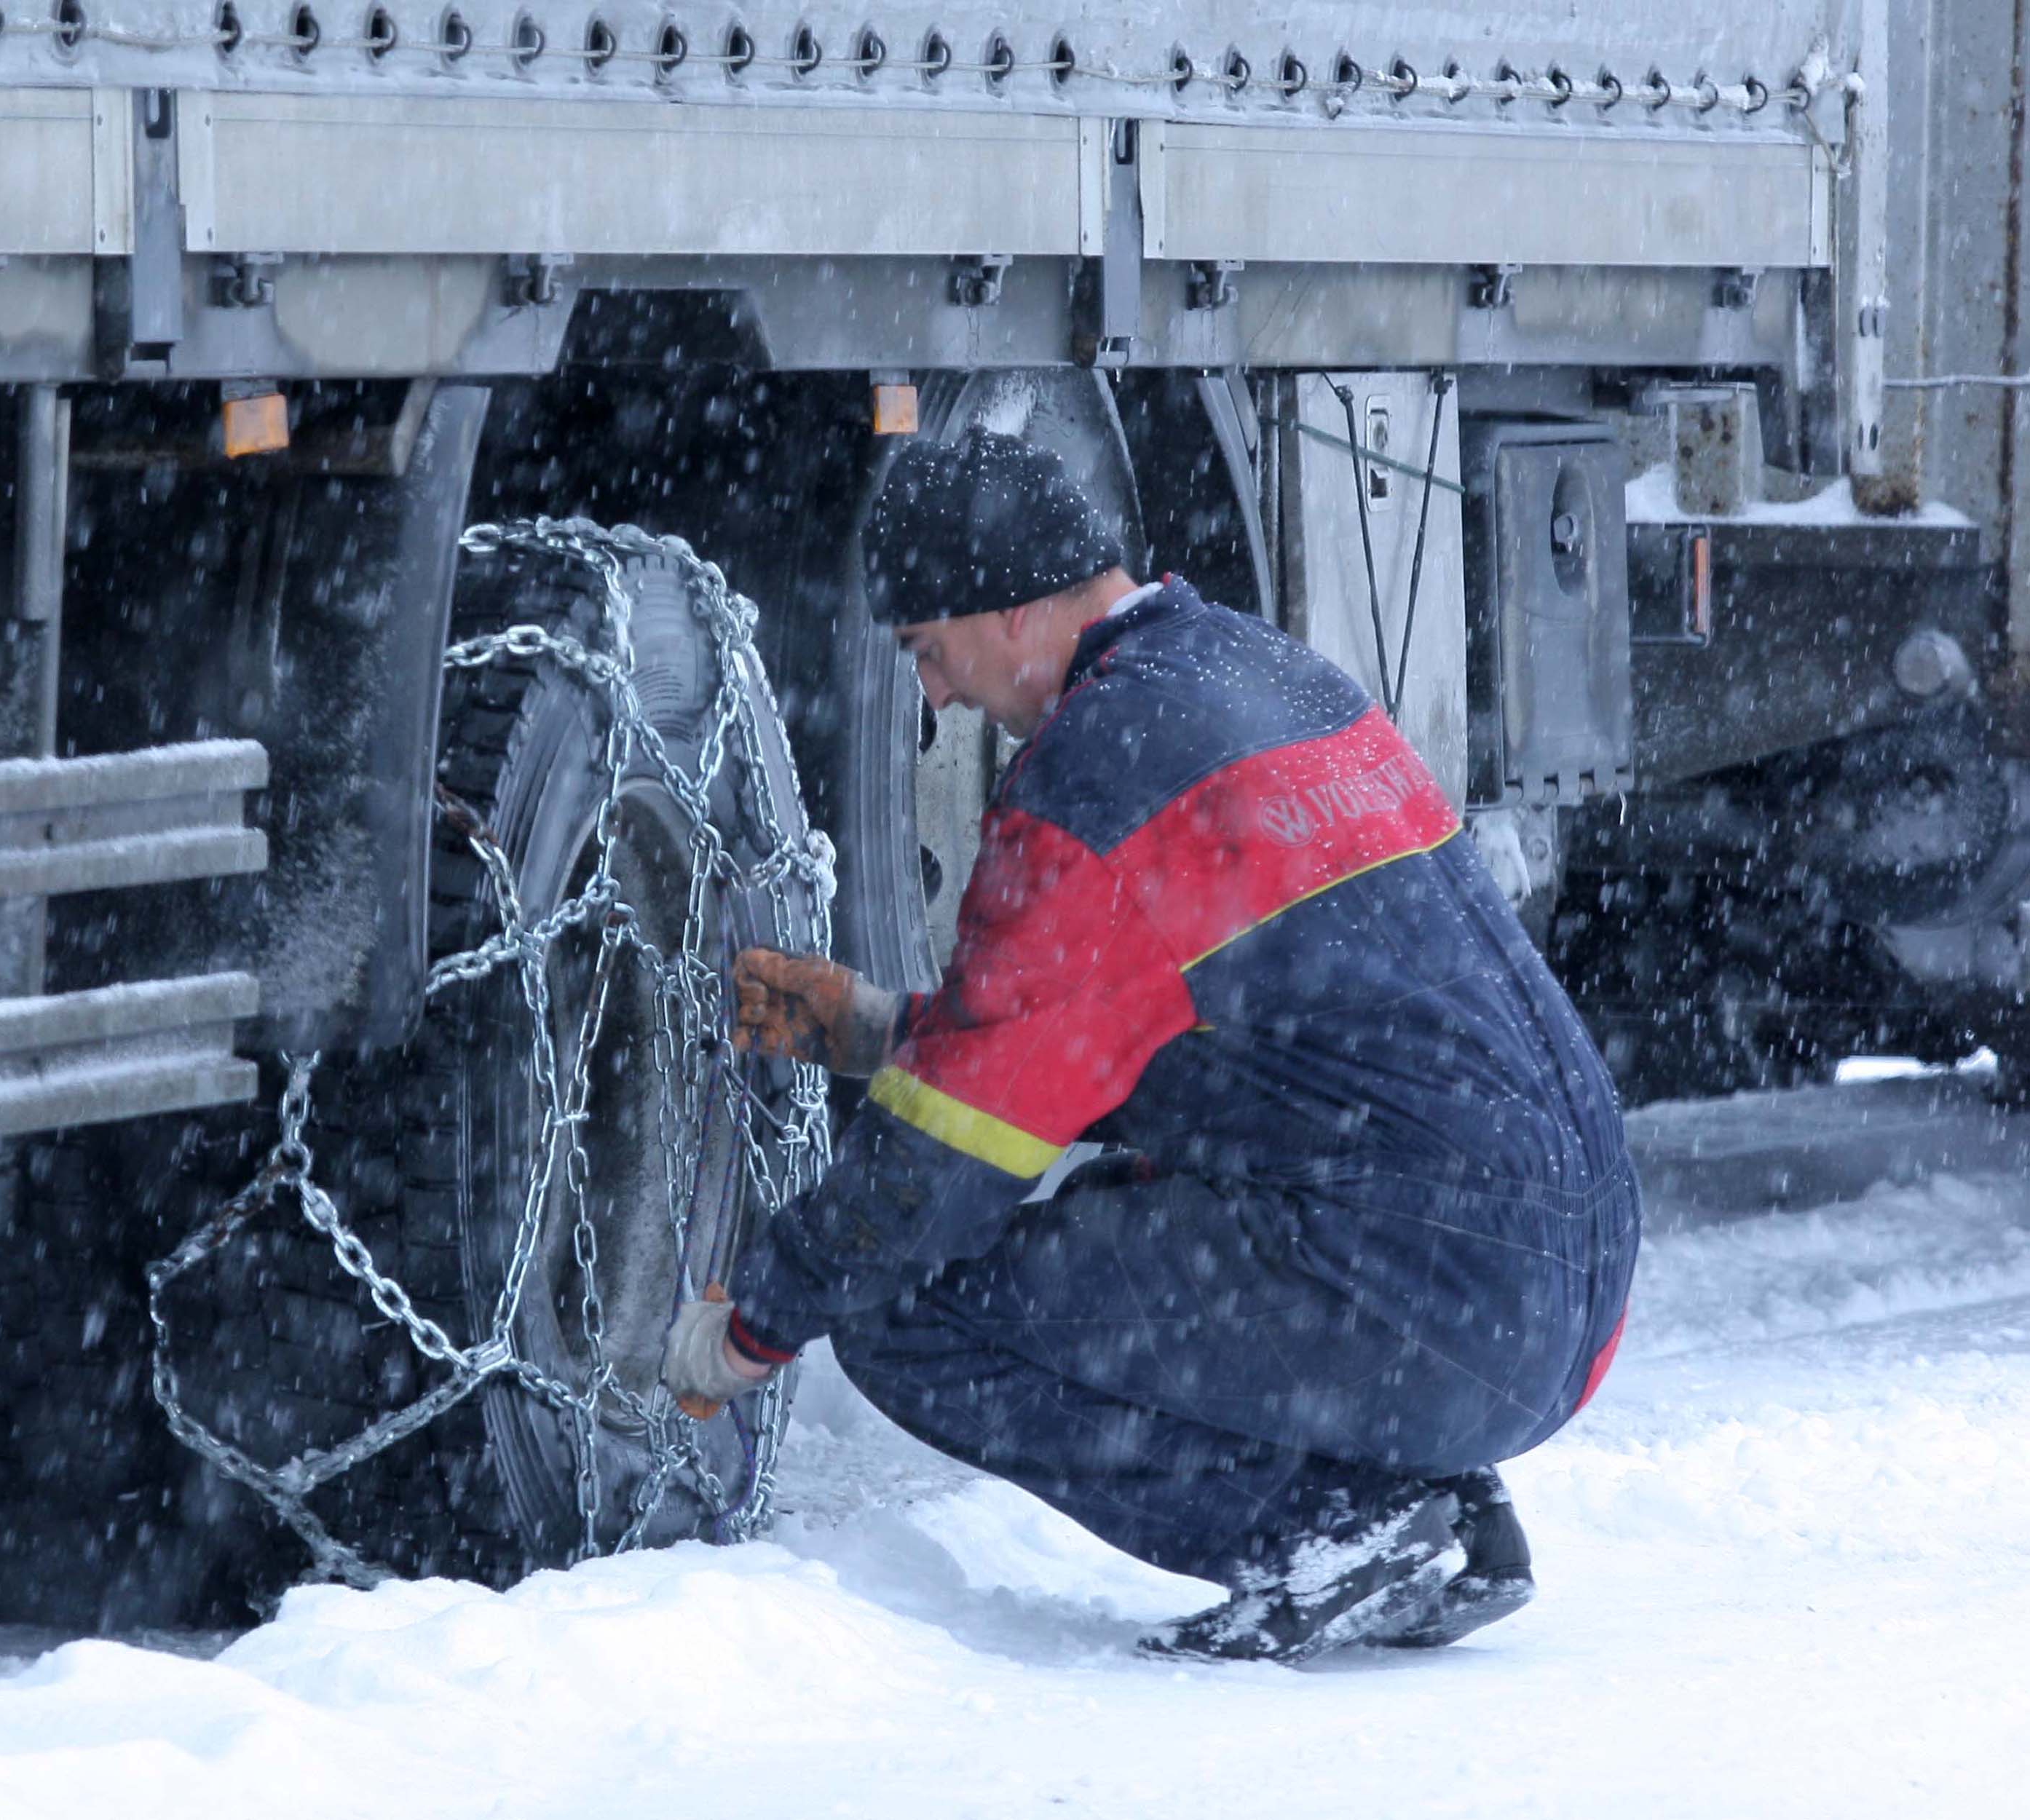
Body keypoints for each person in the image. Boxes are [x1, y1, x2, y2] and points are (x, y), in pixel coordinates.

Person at [660, 426, 1640, 1665]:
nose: (937, 695)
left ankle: (1338, 1534)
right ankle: (1424, 1508)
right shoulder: (1262, 676)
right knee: (1142, 1199)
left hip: (1445, 1290)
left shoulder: (1092, 784)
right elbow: (1158, 1031)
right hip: (1566, 1265)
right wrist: (873, 1029)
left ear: (1010, 613)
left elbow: (935, 1180)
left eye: (930, 651)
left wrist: (755, 1321)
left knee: (911, 1311)